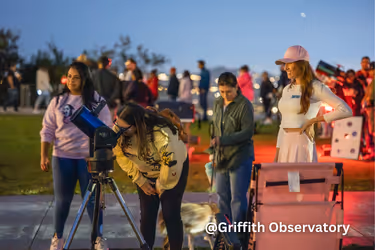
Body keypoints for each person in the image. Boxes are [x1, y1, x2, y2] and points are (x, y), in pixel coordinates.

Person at [40, 61, 112, 250]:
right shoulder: (58, 101)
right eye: (69, 76)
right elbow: (47, 129)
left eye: (76, 77)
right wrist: (44, 155)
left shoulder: (97, 101)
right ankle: (58, 238)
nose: (71, 80)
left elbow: (106, 131)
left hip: (88, 160)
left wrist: (97, 155)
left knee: (93, 202)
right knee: (62, 201)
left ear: (85, 79)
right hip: (62, 157)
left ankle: (98, 239)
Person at [112, 103, 189, 250]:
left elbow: (170, 161)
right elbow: (120, 155)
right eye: (117, 125)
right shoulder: (120, 130)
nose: (119, 131)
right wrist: (140, 180)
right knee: (147, 215)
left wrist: (162, 184)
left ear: (137, 125)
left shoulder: (161, 133)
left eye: (124, 128)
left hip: (174, 168)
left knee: (170, 213)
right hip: (145, 172)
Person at [274, 45, 352, 163]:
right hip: (284, 146)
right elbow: (282, 125)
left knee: (301, 180)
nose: (285, 68)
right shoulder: (287, 89)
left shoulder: (316, 87)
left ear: (301, 65)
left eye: (289, 64)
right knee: (284, 181)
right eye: (285, 64)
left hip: (302, 145)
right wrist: (277, 155)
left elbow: (346, 110)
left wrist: (313, 121)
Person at [211, 72, 254, 249]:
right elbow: (214, 127)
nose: (225, 95)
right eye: (222, 91)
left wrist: (224, 140)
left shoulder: (245, 105)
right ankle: (224, 237)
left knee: (237, 199)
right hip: (221, 158)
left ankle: (238, 240)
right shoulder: (217, 103)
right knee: (222, 196)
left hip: (240, 157)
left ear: (236, 87)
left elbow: (247, 132)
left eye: (228, 91)